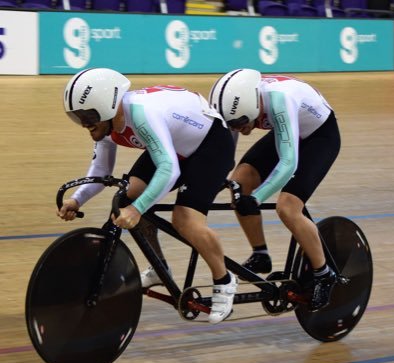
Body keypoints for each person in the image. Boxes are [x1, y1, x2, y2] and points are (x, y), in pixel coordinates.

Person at [58, 67, 238, 324]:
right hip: (176, 145)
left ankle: (225, 280)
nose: (84, 123)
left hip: (210, 144)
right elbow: (101, 170)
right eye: (77, 117)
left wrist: (139, 208)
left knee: (185, 219)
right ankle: (159, 267)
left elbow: (170, 169)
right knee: (125, 200)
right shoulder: (107, 124)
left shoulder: (142, 115)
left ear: (108, 107)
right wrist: (76, 200)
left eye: (87, 115)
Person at [209, 68, 341, 311]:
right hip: (289, 130)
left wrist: (257, 198)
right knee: (240, 181)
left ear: (252, 107)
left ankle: (324, 273)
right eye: (232, 123)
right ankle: (260, 254)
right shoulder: (239, 108)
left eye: (240, 123)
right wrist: (220, 176)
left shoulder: (280, 99)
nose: (238, 129)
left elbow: (288, 162)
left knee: (288, 208)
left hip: (319, 137)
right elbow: (228, 146)